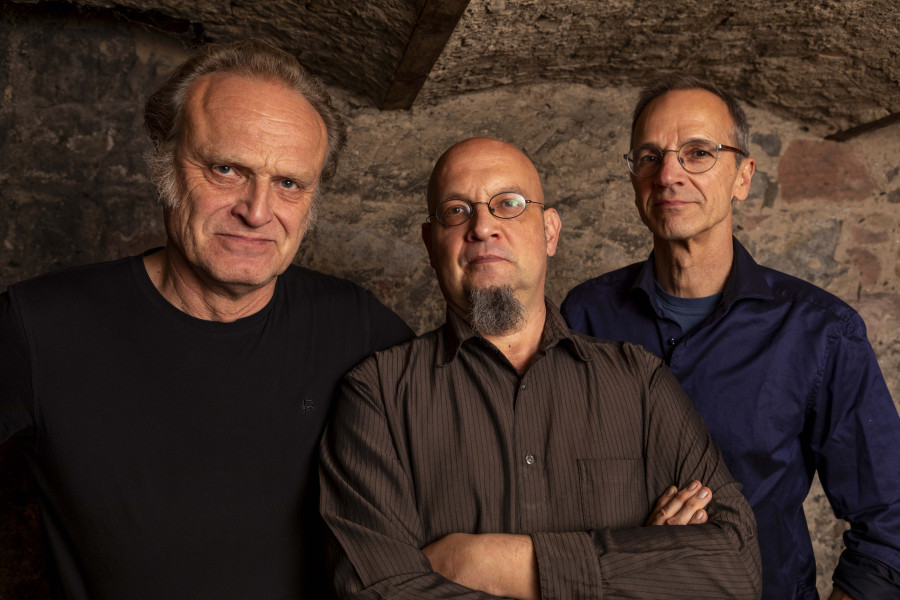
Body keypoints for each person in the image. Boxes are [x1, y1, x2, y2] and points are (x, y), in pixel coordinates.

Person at [0, 40, 413, 599]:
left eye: (289, 183)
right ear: (164, 164)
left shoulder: (357, 327)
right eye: (225, 169)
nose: (257, 211)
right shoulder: (40, 326)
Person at [319, 137, 762, 599]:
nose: (482, 227)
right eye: (456, 211)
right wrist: (643, 566)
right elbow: (378, 591)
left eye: (509, 204)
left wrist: (493, 564)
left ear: (549, 232)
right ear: (432, 244)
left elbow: (738, 566)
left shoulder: (639, 382)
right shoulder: (377, 395)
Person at [561, 76, 900, 600]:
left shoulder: (821, 331)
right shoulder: (584, 315)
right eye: (649, 157)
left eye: (698, 153)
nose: (668, 174)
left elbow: (890, 522)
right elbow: (551, 483)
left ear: (743, 176)